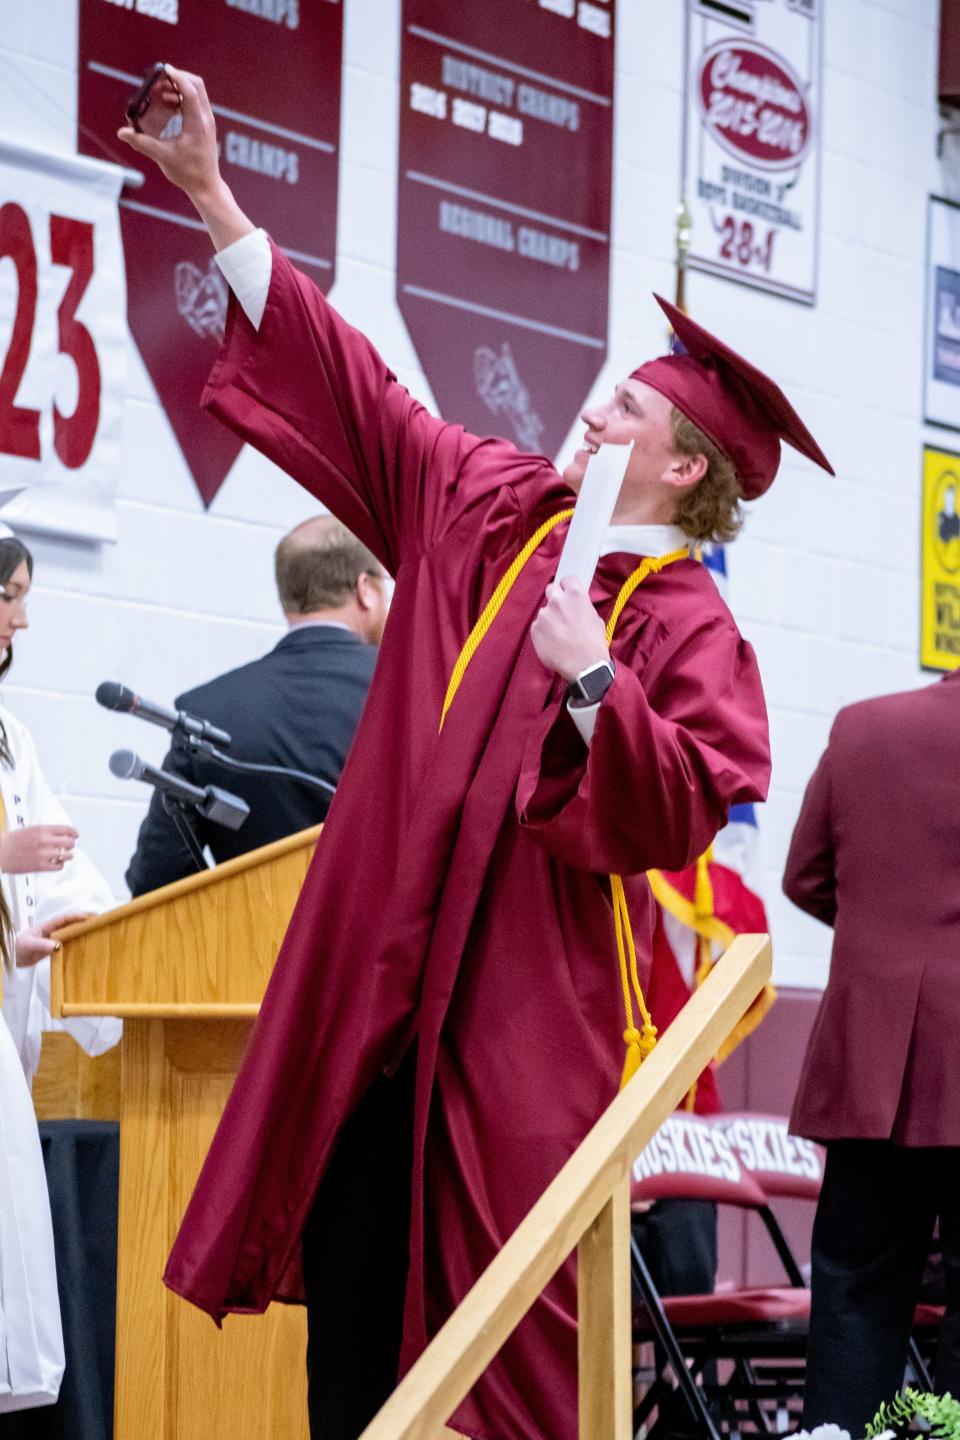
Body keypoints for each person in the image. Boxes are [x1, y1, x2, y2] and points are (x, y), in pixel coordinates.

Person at [119, 67, 832, 1440]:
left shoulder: (680, 621)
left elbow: (683, 802)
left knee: (503, 1363)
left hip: (509, 1043)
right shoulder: (492, 511)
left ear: (683, 468)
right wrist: (214, 198)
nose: (593, 416)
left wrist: (594, 689)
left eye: (625, 410)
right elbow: (364, 395)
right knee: (355, 1347)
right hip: (378, 1015)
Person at [784, 675, 960, 1435]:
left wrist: (887, 951)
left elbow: (805, 878)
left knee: (856, 1288)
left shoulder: (860, 725)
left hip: (874, 1063)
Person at [0, 524, 120, 1414]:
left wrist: (47, 934)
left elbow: (58, 873)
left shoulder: (10, 734)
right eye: (11, 595)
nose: (24, 619)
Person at [125, 515, 387, 895]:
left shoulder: (207, 711)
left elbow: (158, 876)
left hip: (262, 950)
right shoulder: (413, 689)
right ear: (366, 589)